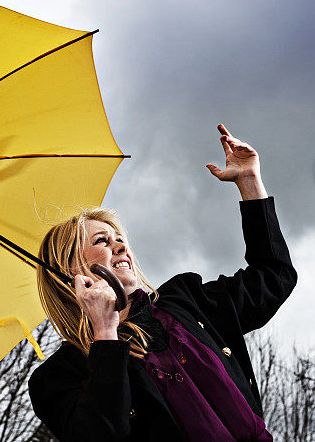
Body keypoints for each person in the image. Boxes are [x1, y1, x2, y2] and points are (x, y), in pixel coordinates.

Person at [29, 124, 297, 441]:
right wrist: (104, 334)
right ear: (69, 268)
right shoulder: (60, 376)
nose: (120, 246)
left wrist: (250, 183)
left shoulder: (185, 300)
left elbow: (273, 277)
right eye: (102, 241)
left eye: (120, 238)